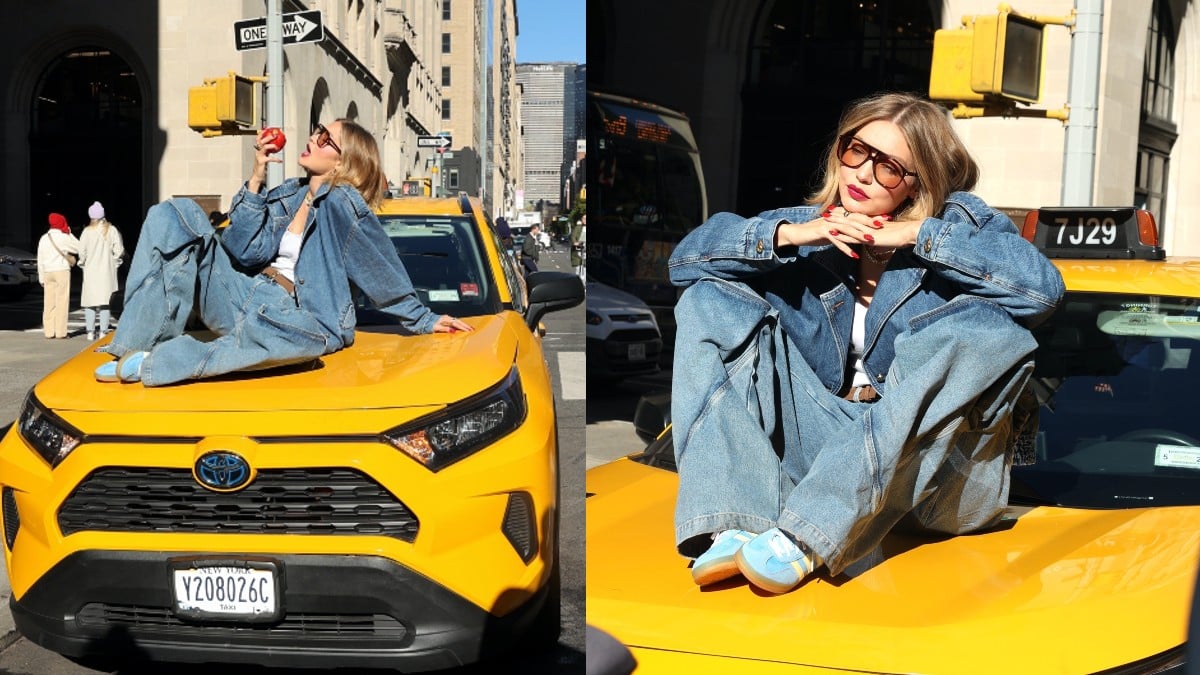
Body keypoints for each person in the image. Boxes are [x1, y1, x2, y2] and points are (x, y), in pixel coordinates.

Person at [669, 92, 1065, 594]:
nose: (861, 174)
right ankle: (733, 519)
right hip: (824, 449)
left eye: (889, 168)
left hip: (935, 475)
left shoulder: (961, 228)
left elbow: (1042, 293)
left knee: (987, 328)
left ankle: (808, 534)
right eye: (856, 151)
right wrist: (792, 235)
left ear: (922, 182)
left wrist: (917, 234)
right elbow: (684, 264)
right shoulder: (814, 226)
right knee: (709, 298)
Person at [94, 119, 472, 385]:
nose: (314, 137)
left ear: (343, 161)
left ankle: (153, 365)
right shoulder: (289, 193)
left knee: (311, 342)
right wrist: (256, 178)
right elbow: (240, 249)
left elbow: (378, 265)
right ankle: (133, 346)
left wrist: (421, 318)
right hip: (242, 292)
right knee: (175, 213)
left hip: (292, 316)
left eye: (326, 138)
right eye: (318, 130)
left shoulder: (342, 202)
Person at [77, 201, 125, 341]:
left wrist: (83, 263)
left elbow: (82, 252)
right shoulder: (112, 230)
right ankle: (104, 331)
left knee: (90, 303)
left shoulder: (87, 231)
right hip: (107, 272)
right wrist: (115, 262)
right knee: (105, 302)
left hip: (91, 271)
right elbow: (119, 250)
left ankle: (90, 332)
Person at [36, 212, 80, 339]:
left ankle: (49, 331)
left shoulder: (44, 238)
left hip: (47, 272)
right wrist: (70, 233)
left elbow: (40, 258)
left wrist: (41, 277)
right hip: (61, 270)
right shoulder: (64, 237)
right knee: (62, 301)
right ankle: (61, 332)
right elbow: (79, 248)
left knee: (49, 303)